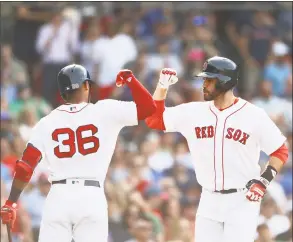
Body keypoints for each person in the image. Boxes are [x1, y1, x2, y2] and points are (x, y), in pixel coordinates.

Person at [0, 64, 156, 242]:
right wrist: (130, 79)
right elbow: (149, 108)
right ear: (86, 86)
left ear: (62, 93)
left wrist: (11, 202)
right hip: (91, 195)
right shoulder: (104, 110)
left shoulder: (47, 122)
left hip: (58, 195)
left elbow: (25, 166)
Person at [145, 56, 289, 242]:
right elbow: (153, 120)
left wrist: (264, 180)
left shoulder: (253, 115)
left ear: (225, 81)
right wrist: (162, 86)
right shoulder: (193, 112)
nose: (203, 84)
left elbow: (280, 150)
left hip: (241, 200)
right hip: (208, 198)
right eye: (204, 79)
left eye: (209, 80)